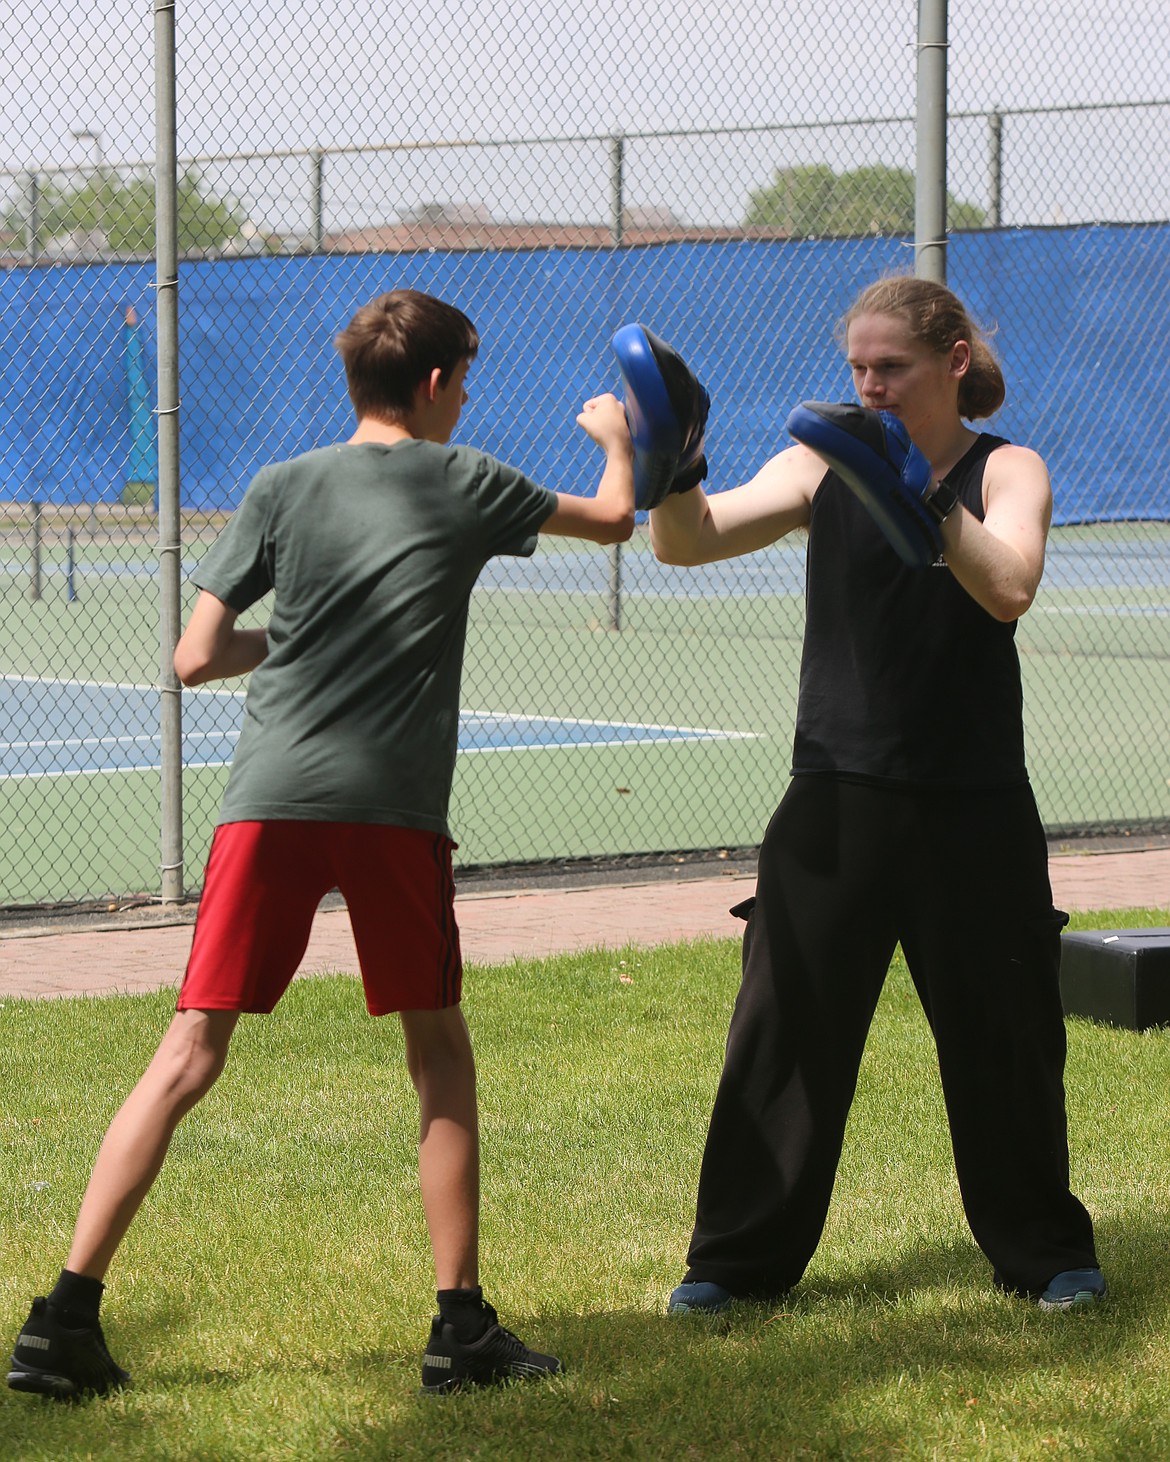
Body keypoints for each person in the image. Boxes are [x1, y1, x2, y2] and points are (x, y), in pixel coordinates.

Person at [7, 288, 635, 1400]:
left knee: (189, 1053)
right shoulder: (469, 478)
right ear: (437, 385)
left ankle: (62, 1320)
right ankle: (460, 1328)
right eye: (466, 379)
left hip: (269, 801)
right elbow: (617, 519)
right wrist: (621, 440)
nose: (467, 398)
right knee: (437, 1051)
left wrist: (289, 635)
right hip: (390, 809)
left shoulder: (278, 486)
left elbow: (194, 658)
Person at [651, 274, 1105, 1315]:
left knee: (1007, 1036)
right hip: (835, 798)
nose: (870, 385)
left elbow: (1011, 586)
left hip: (972, 800)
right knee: (783, 1033)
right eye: (857, 368)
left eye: (890, 367)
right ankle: (734, 1261)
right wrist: (675, 470)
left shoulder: (1008, 468)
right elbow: (689, 540)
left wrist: (920, 498)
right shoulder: (823, 459)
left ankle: (1045, 1251)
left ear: (951, 362)